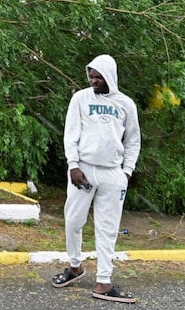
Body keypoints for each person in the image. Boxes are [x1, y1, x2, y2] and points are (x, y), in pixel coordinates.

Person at [51, 54, 141, 304]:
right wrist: (73, 165)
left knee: (107, 228)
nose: (94, 81)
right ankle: (75, 266)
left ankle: (104, 282)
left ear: (110, 76)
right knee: (73, 221)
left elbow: (133, 140)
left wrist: (126, 173)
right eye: (91, 76)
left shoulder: (126, 104)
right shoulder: (80, 98)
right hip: (84, 169)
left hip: (113, 174)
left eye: (98, 77)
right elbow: (71, 134)